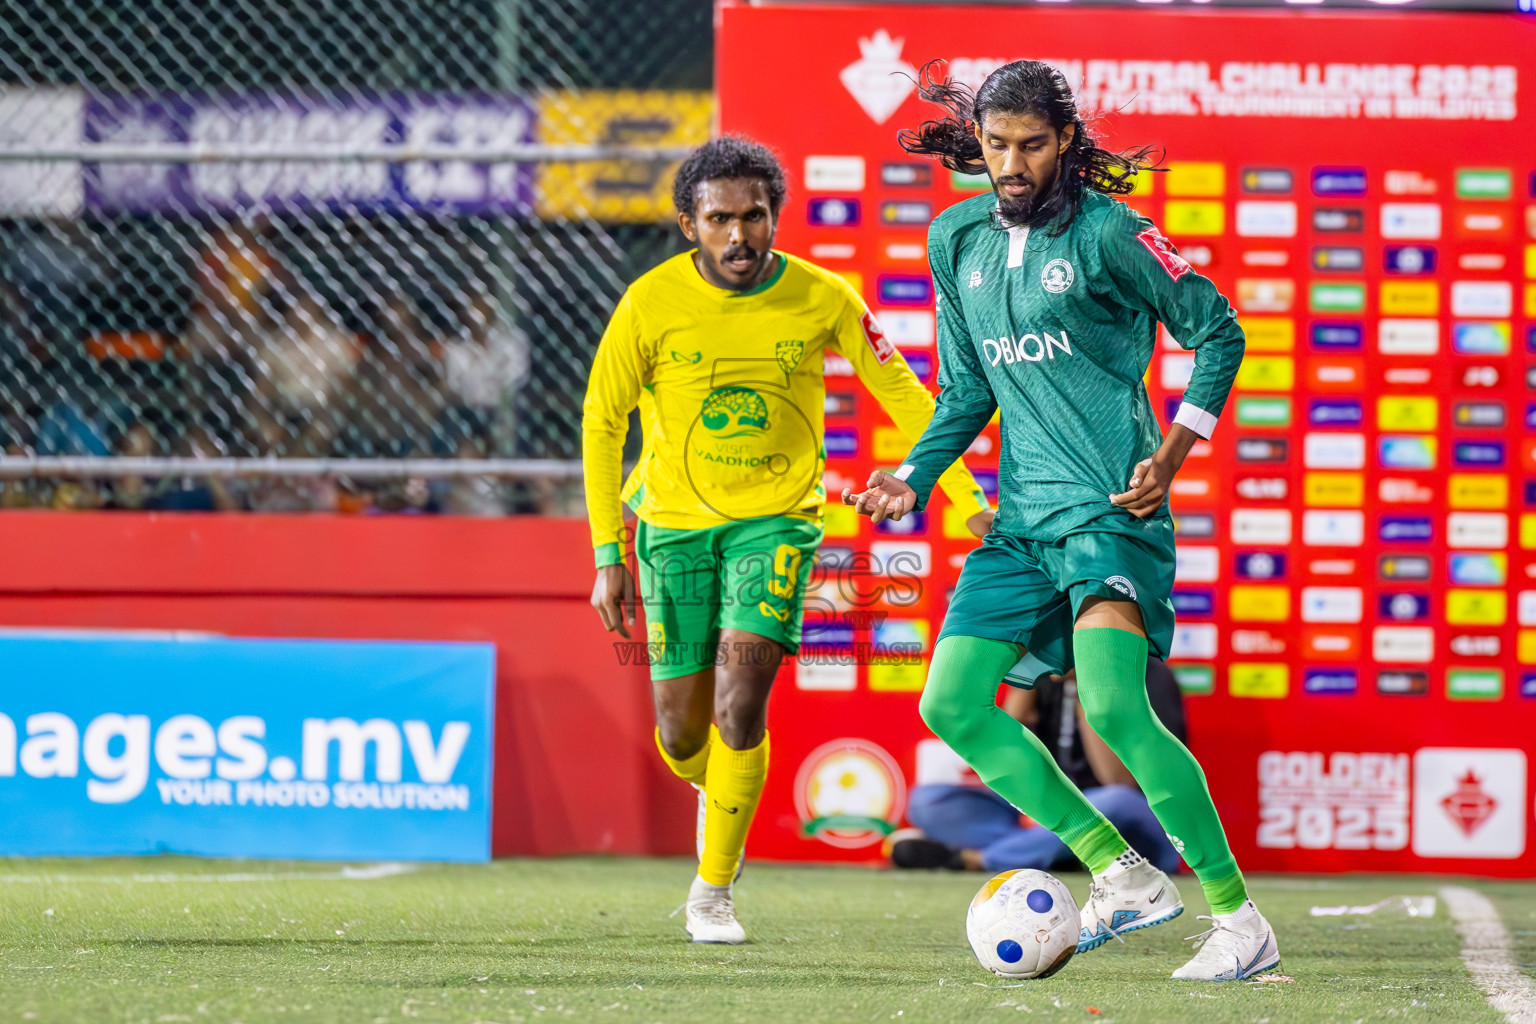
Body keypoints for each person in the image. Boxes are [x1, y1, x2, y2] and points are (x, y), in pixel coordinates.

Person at [842, 60, 1278, 982]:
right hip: (1021, 524)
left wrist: (1173, 455)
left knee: (1118, 706)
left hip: (1113, 514)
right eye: (997, 144)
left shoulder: (1115, 232)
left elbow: (1221, 330)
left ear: (1066, 142)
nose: (1011, 162)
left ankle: (1240, 921)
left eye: (1031, 144)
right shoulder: (954, 236)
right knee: (951, 705)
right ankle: (1123, 873)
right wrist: (913, 478)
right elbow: (967, 389)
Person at [583, 137, 993, 945]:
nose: (739, 236)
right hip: (670, 527)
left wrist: (966, 500)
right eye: (720, 220)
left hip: (777, 524)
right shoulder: (648, 303)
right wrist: (608, 552)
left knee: (742, 703)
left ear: (775, 216)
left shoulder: (824, 297)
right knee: (681, 734)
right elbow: (603, 422)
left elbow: (906, 395)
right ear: (687, 225)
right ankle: (724, 795)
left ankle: (712, 892)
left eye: (755, 217)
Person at [891, 660, 1183, 876]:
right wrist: (1024, 684)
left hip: (1137, 827)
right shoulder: (1050, 675)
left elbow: (1119, 780)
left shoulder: (1148, 675)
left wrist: (1089, 692)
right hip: (1054, 814)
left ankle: (981, 860)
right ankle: (1051, 852)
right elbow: (995, 759)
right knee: (928, 801)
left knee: (1113, 800)